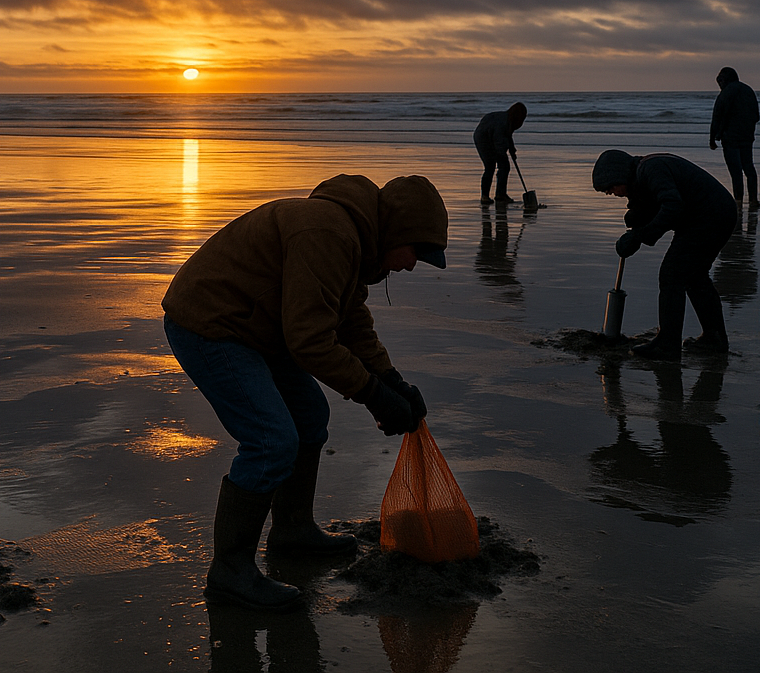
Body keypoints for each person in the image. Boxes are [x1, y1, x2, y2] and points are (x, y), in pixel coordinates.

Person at [162, 174, 448, 611]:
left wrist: (391, 379)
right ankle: (230, 571)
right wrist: (373, 394)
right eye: (418, 253)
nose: (413, 266)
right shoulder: (328, 233)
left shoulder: (353, 240)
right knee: (271, 440)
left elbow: (349, 319)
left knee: (310, 416)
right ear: (398, 231)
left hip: (256, 328)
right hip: (210, 325)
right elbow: (310, 341)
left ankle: (292, 530)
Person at [592, 150, 737, 360]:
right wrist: (636, 225)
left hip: (709, 215)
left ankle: (668, 344)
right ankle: (714, 339)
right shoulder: (643, 172)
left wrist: (641, 235)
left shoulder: (651, 169)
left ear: (619, 174)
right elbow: (657, 203)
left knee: (672, 274)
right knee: (695, 276)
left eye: (610, 188)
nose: (611, 193)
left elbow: (672, 206)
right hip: (716, 212)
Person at [709, 67, 760, 207]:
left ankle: (738, 201)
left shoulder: (725, 94)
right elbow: (757, 116)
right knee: (749, 167)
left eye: (720, 81)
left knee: (735, 170)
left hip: (730, 137)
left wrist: (712, 138)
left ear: (724, 80)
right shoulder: (748, 91)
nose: (719, 85)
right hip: (747, 136)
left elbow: (717, 117)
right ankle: (753, 200)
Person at [474, 102, 527, 203]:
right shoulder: (502, 122)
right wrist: (502, 154)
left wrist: (512, 149)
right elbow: (499, 140)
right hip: (483, 138)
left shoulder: (508, 121)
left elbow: (507, 136)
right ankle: (487, 196)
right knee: (491, 167)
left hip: (488, 136)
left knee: (503, 166)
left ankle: (500, 194)